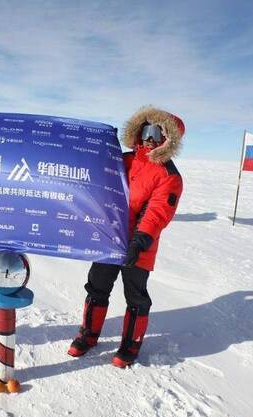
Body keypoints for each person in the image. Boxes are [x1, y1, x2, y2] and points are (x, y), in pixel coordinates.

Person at [68, 105, 185, 368]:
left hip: (139, 246)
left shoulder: (169, 176)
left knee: (136, 296)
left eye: (158, 133)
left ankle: (130, 344)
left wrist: (139, 241)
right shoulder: (123, 160)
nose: (150, 138)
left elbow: (157, 213)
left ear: (168, 140)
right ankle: (88, 335)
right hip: (109, 240)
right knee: (97, 286)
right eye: (147, 130)